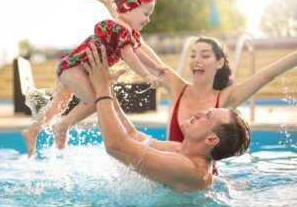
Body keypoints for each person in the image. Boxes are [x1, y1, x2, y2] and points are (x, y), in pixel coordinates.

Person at [80, 0, 297, 173]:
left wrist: (101, 89)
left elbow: (267, 74)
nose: (196, 60)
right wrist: (113, 7)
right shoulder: (178, 89)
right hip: (166, 168)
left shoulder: (225, 100)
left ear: (219, 63)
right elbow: (136, 42)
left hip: (180, 175)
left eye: (205, 55)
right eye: (193, 54)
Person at [22, 0, 166, 157]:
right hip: (76, 67)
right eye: (145, 13)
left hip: (71, 65)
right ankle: (62, 126)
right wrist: (146, 75)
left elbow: (138, 51)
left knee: (59, 105)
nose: (148, 19)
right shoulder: (120, 29)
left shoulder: (125, 30)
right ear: (129, 8)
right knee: (93, 102)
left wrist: (156, 66)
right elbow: (130, 56)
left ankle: (32, 131)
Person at [84, 43, 251, 192]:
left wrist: (101, 88)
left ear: (211, 139)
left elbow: (116, 146)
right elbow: (131, 136)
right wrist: (107, 86)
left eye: (207, 116)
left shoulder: (189, 169)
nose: (198, 113)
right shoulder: (179, 149)